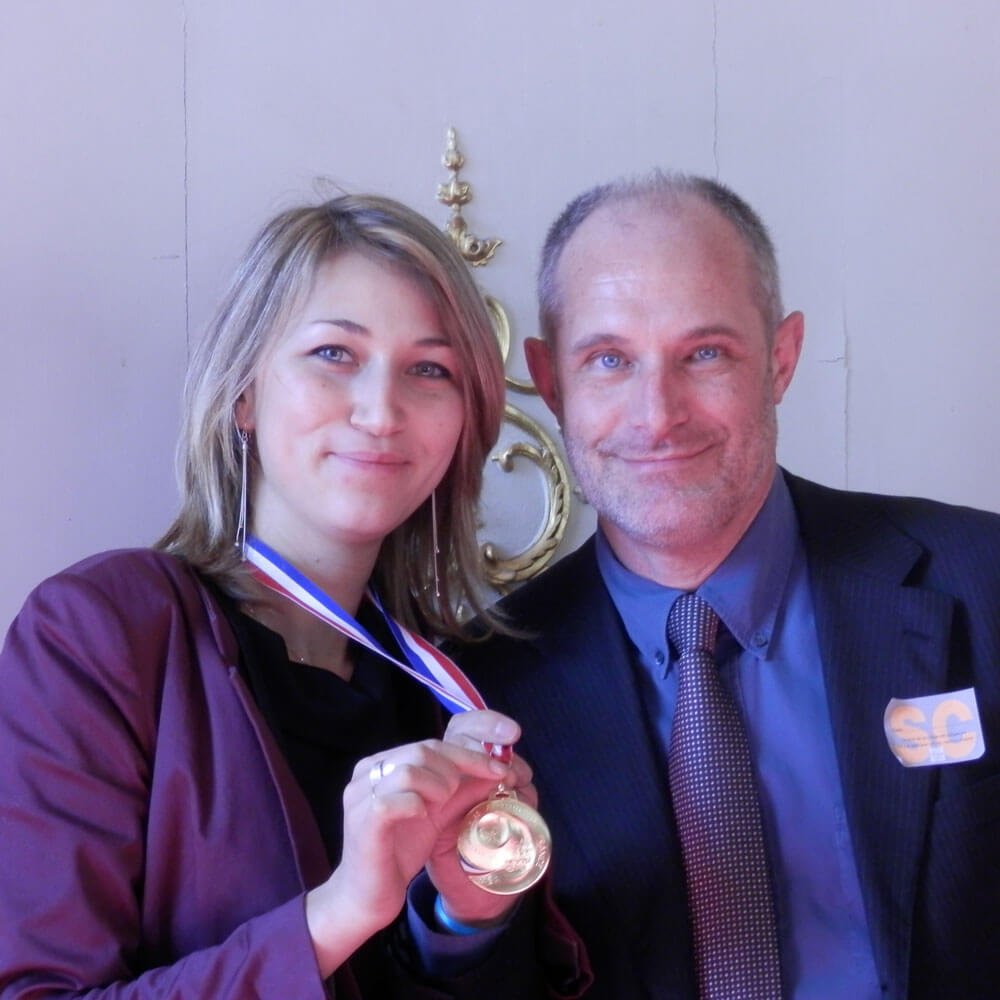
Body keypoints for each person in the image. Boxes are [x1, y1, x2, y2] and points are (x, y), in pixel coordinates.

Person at [0, 194, 588, 998]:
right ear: (243, 393)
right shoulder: (103, 633)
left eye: (430, 370)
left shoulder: (452, 688)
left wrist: (463, 921)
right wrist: (342, 911)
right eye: (334, 355)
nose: (382, 412)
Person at [455, 171, 1000, 1000]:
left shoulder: (980, 580)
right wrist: (463, 917)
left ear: (780, 360)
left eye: (705, 353)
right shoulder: (486, 684)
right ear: (553, 380)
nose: (657, 414)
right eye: (609, 360)